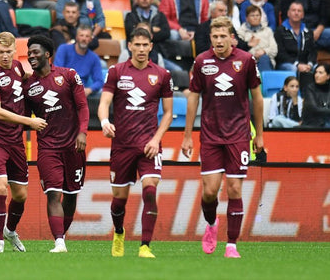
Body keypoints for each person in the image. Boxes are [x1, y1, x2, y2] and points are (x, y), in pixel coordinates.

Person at [181, 16, 264, 259]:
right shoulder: (201, 61)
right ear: (211, 39)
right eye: (214, 37)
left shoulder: (246, 61)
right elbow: (194, 97)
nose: (218, 41)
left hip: (239, 135)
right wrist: (187, 136)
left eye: (222, 36)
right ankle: (211, 224)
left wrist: (259, 134)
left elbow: (257, 98)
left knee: (235, 188)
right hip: (210, 135)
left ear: (232, 38)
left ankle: (231, 245)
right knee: (209, 192)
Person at [97, 26, 173, 258]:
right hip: (122, 145)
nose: (141, 49)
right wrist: (104, 122)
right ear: (129, 46)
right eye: (136, 45)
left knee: (150, 190)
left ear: (151, 46)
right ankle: (119, 233)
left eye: (145, 45)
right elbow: (104, 103)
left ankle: (145, 246)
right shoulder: (117, 72)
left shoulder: (162, 75)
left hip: (149, 145)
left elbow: (168, 113)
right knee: (119, 200)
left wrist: (156, 139)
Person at [0, 32, 47, 253]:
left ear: (15, 51)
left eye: (9, 51)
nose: (5, 56)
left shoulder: (18, 67)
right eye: (1, 52)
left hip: (15, 139)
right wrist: (29, 121)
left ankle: (10, 231)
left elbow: (27, 78)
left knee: (20, 194)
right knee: (0, 185)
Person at [23, 34, 89, 252]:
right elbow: (23, 118)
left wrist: (83, 133)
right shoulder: (28, 86)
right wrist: (30, 122)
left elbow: (82, 106)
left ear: (48, 55)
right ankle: (59, 241)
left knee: (70, 197)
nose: (31, 56)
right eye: (29, 52)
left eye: (35, 52)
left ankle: (61, 237)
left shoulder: (68, 75)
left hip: (73, 146)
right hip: (48, 148)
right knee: (53, 193)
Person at [53, 24, 104, 97]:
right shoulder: (63, 49)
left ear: (90, 39)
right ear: (76, 37)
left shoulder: (94, 57)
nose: (84, 39)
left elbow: (99, 81)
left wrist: (89, 89)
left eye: (87, 36)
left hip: (81, 93)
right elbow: (56, 73)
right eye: (81, 35)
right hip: (62, 88)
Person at [124, 0, 170, 65]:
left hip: (158, 55)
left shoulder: (160, 15)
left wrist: (142, 30)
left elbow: (166, 33)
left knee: (178, 71)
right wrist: (152, 30)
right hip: (134, 56)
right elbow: (130, 33)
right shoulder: (130, 16)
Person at [274, 1, 317, 73]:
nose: (296, 13)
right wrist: (297, 65)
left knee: (319, 69)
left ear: (302, 15)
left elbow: (313, 52)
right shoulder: (280, 31)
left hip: (305, 64)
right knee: (293, 69)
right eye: (293, 10)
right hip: (287, 64)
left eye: (299, 11)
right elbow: (280, 54)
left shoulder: (308, 31)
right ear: (288, 13)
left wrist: (310, 64)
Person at [237, 5, 278, 72]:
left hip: (266, 61)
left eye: (257, 15)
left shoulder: (268, 31)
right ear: (247, 18)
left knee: (264, 58)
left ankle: (263, 81)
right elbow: (239, 51)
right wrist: (254, 54)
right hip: (248, 62)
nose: (255, 18)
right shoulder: (241, 31)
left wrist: (264, 51)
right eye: (252, 16)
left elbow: (274, 50)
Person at [302, 63, 330, 128]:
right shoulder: (309, 88)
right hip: (313, 122)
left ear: (328, 76)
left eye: (320, 73)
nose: (317, 75)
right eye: (316, 72)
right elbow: (314, 109)